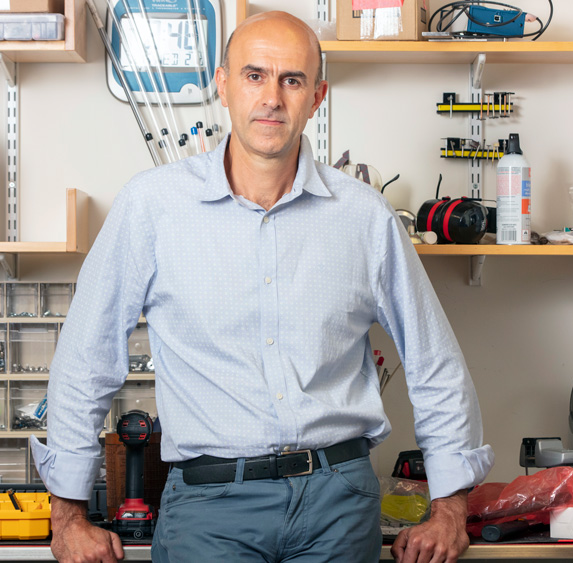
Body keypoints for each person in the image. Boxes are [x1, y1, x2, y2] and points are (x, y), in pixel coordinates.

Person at [32, 10, 494, 563]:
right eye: (254, 76)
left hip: (338, 507)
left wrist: (450, 507)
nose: (272, 98)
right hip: (209, 510)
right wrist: (68, 513)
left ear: (316, 97)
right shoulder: (152, 206)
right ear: (223, 85)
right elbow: (85, 358)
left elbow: (434, 363)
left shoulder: (365, 217)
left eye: (291, 80)